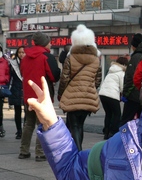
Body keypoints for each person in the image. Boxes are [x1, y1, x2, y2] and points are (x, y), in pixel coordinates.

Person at [58, 24, 102, 151]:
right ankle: (78, 149)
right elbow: (97, 80)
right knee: (80, 126)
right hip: (88, 96)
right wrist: (90, 88)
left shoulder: (70, 58)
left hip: (72, 96)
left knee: (74, 125)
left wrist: (61, 94)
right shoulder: (96, 59)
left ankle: (77, 150)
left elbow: (64, 78)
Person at [19, 32, 60, 160]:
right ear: (44, 43)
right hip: (42, 95)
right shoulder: (46, 56)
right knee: (42, 124)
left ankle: (24, 151)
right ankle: (40, 153)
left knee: (28, 123)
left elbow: (22, 73)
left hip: (28, 95)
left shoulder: (25, 57)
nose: (51, 44)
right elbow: (54, 76)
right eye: (49, 41)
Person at [119, 33, 142, 126]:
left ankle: (122, 140)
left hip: (133, 95)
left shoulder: (136, 57)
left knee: (126, 121)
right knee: (141, 122)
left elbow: (130, 77)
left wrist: (126, 94)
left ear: (134, 45)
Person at [99, 57, 127, 140]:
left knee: (108, 113)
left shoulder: (111, 71)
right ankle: (112, 132)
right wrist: (123, 94)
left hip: (102, 94)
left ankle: (106, 132)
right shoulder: (121, 72)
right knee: (117, 114)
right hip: (112, 95)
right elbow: (122, 87)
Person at [9, 46, 26, 139]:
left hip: (26, 88)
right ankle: (19, 131)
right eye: (19, 52)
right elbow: (9, 77)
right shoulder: (13, 63)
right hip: (16, 88)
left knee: (27, 111)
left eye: (23, 52)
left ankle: (26, 129)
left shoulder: (30, 62)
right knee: (17, 111)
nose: (21, 54)